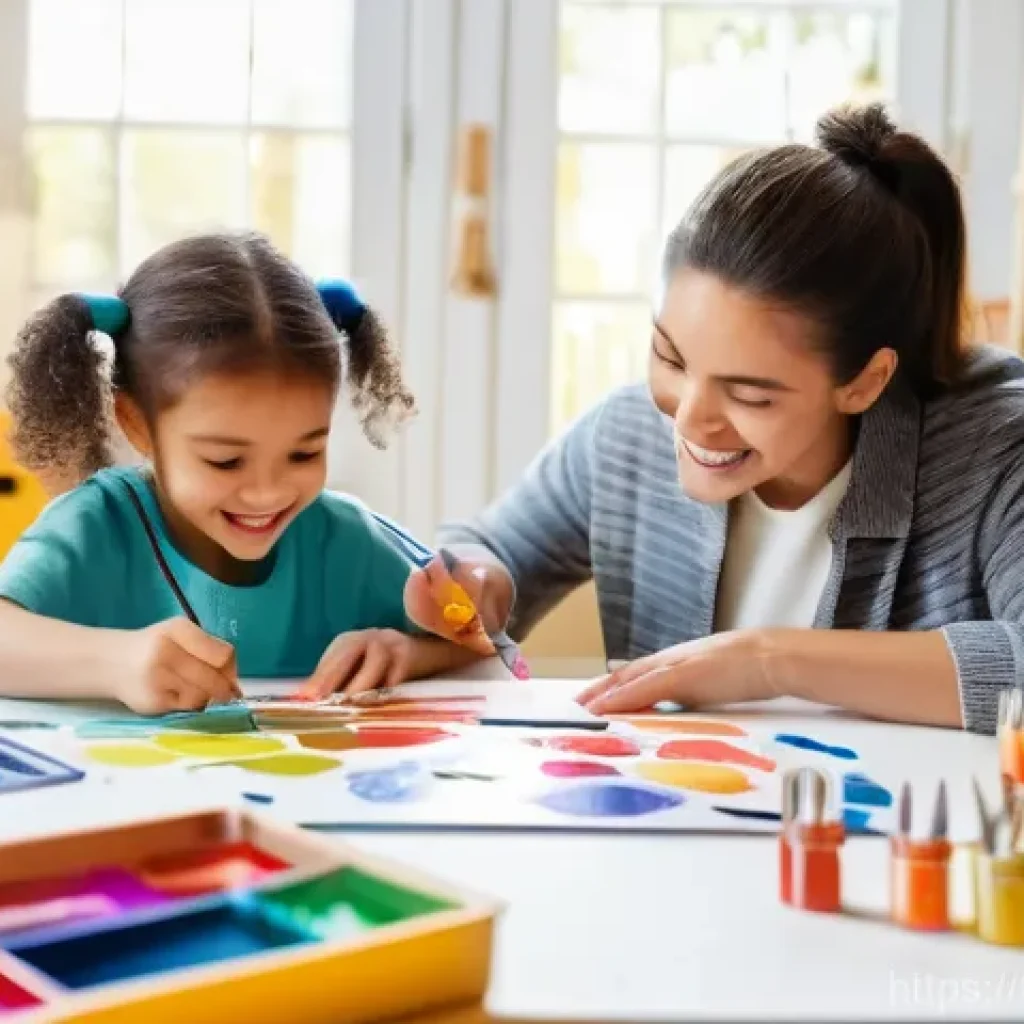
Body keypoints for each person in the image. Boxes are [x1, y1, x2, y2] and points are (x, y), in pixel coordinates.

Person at [436, 103, 1024, 736]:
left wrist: (769, 660)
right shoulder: (629, 436)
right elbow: (482, 549)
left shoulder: (993, 448)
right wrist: (468, 587)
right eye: (671, 357)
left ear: (864, 381)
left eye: (749, 394)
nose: (689, 420)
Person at [0, 231, 487, 714]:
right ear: (136, 424)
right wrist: (113, 662)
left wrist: (411, 652)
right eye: (226, 461)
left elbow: (479, 635)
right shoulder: (95, 526)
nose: (266, 493)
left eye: (304, 454)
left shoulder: (347, 541)